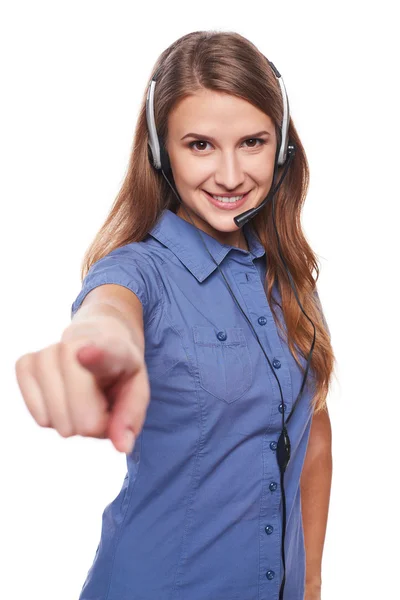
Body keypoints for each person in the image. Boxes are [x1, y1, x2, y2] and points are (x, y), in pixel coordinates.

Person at [15, 30, 335, 600]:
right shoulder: (139, 271)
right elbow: (108, 309)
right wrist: (97, 345)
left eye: (253, 142)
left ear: (282, 145)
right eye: (200, 145)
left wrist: (310, 584)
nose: (232, 175)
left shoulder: (288, 277)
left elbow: (311, 433)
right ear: (162, 151)